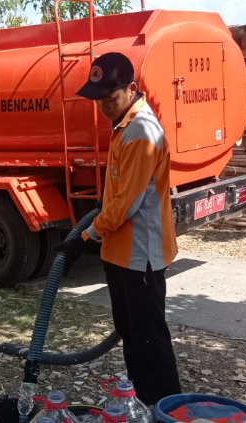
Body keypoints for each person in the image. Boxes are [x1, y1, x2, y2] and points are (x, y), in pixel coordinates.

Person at [59, 52, 182, 405]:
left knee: (150, 343)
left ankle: (167, 409)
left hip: (139, 257)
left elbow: (126, 206)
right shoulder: (125, 127)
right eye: (99, 101)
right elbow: (119, 191)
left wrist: (83, 237)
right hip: (121, 255)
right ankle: (140, 405)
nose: (104, 108)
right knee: (133, 338)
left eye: (110, 99)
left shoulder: (141, 131)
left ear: (131, 89)